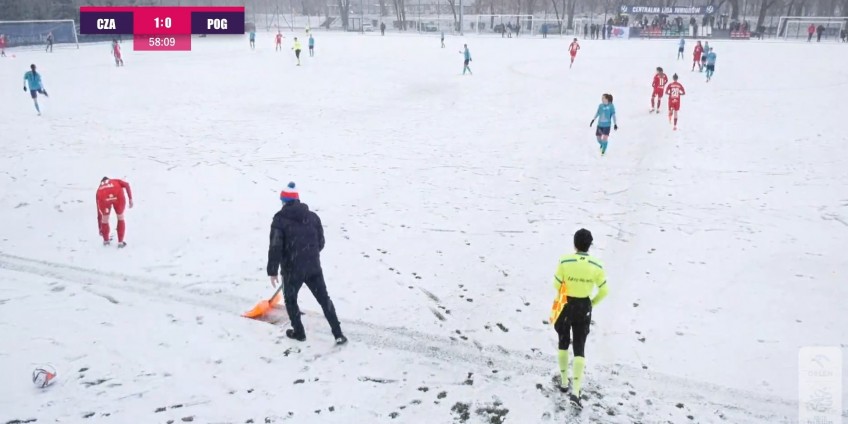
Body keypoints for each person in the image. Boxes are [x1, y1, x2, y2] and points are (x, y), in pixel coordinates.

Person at [267, 182, 347, 345]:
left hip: (291, 270)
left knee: (290, 300)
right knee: (324, 300)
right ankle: (338, 334)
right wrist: (309, 254)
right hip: (313, 267)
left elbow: (275, 246)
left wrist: (272, 270)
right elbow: (321, 242)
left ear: (283, 201)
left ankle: (299, 332)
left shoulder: (279, 219)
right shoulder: (312, 217)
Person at [550, 228, 609, 408]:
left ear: (575, 244)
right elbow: (604, 290)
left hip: (566, 304)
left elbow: (556, 284)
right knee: (579, 347)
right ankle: (576, 391)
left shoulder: (565, 260)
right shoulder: (597, 265)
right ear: (590, 245)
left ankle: (564, 381)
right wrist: (591, 302)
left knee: (562, 342)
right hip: (584, 306)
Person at [96, 177, 133, 247]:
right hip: (118, 195)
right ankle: (120, 242)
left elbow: (98, 212)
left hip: (103, 197)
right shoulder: (115, 181)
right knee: (120, 217)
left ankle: (106, 241)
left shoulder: (99, 188)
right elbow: (127, 185)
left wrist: (100, 228)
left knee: (105, 219)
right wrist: (130, 199)